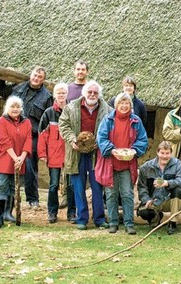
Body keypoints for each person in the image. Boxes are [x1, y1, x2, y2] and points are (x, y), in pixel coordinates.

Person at [0, 66, 53, 209]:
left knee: (29, 166)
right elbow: (0, 90)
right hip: (13, 134)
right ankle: (8, 202)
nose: (36, 78)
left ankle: (33, 199)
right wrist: (2, 74)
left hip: (32, 136)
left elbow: (48, 121)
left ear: (43, 80)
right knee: (9, 164)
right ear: (30, 75)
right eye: (34, 75)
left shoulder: (47, 97)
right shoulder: (17, 88)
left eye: (40, 77)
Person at [58, 80, 113, 230]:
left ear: (99, 94)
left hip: (97, 154)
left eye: (95, 92)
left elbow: (111, 128)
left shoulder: (107, 109)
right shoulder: (71, 107)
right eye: (90, 92)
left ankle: (99, 219)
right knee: (78, 186)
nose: (92, 94)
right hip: (76, 153)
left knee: (97, 186)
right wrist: (72, 139)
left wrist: (101, 142)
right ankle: (82, 218)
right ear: (84, 93)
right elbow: (63, 125)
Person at [96, 93, 148, 234]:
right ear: (116, 105)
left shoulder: (136, 121)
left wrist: (134, 150)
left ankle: (129, 223)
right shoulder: (108, 120)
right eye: (121, 103)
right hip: (110, 163)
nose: (124, 106)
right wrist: (111, 150)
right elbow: (101, 138)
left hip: (127, 164)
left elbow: (143, 139)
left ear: (130, 105)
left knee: (127, 194)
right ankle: (113, 222)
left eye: (127, 103)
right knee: (111, 194)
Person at [38, 83, 76, 224]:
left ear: (67, 94)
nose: (61, 95)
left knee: (71, 185)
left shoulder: (72, 111)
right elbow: (41, 135)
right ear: (54, 95)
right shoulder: (48, 113)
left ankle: (72, 213)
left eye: (63, 93)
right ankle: (52, 212)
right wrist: (42, 153)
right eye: (58, 93)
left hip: (70, 154)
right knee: (54, 185)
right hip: (53, 155)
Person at [0, 96, 32, 229]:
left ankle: (7, 213)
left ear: (21, 109)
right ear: (7, 108)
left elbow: (28, 139)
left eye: (18, 107)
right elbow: (3, 140)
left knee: (13, 187)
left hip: (19, 160)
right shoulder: (2, 121)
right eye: (12, 106)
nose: (15, 109)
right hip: (5, 158)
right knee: (2, 186)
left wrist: (22, 156)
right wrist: (15, 157)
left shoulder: (26, 122)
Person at [137, 141, 181, 235]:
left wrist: (167, 183)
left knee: (178, 191)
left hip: (169, 200)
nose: (164, 156)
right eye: (162, 153)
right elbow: (142, 187)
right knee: (143, 212)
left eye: (167, 153)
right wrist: (146, 199)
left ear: (171, 153)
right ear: (157, 152)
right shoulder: (146, 167)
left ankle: (173, 222)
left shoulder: (177, 164)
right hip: (154, 200)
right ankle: (156, 216)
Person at [59, 59, 89, 210]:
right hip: (71, 136)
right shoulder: (69, 89)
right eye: (78, 69)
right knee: (69, 166)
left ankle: (81, 202)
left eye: (83, 69)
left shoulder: (91, 89)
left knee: (84, 170)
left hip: (87, 139)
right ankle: (66, 196)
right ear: (74, 71)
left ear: (87, 72)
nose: (80, 72)